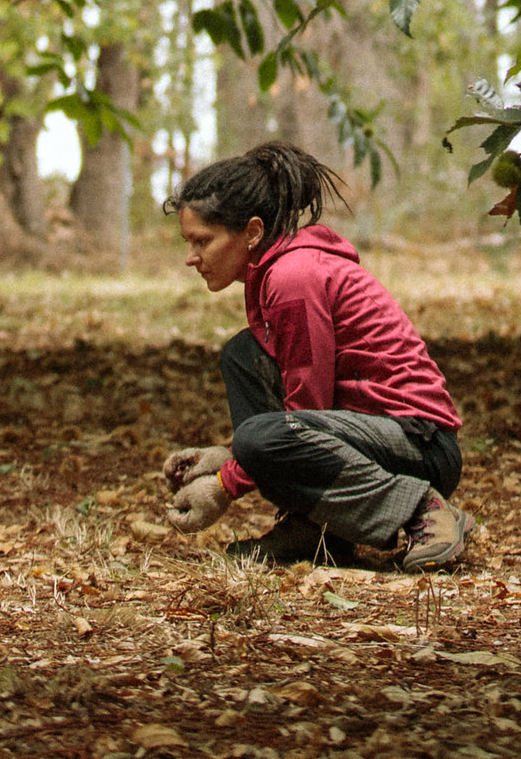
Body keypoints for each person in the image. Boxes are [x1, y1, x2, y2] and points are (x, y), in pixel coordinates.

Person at [156, 141, 476, 571]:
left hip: (421, 445)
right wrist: (228, 457)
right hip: (368, 434)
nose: (191, 257)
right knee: (243, 353)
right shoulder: (277, 272)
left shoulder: (293, 277)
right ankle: (318, 530)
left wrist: (223, 484)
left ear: (251, 232)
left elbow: (304, 413)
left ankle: (424, 510)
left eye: (202, 241)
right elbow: (300, 415)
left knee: (261, 436)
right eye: (188, 242)